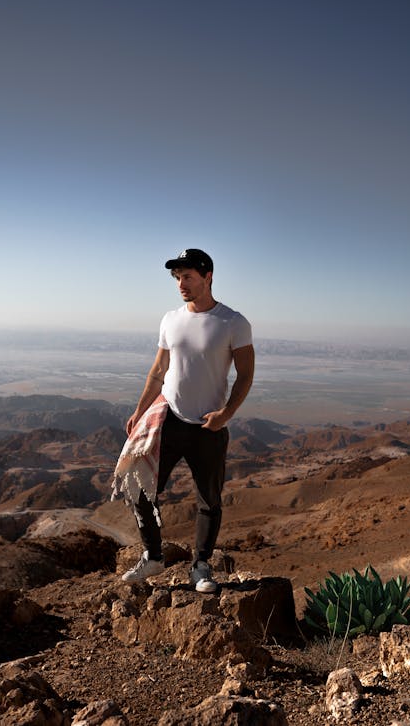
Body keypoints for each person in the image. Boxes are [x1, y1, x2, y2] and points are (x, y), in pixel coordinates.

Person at [117, 248, 254, 592]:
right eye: (178, 278)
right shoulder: (170, 319)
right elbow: (158, 371)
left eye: (188, 276)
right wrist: (139, 410)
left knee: (209, 500)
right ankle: (153, 556)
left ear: (207, 276)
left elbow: (245, 375)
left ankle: (201, 567)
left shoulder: (233, 322)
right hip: (169, 420)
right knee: (139, 486)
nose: (181, 284)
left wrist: (227, 414)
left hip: (209, 425)